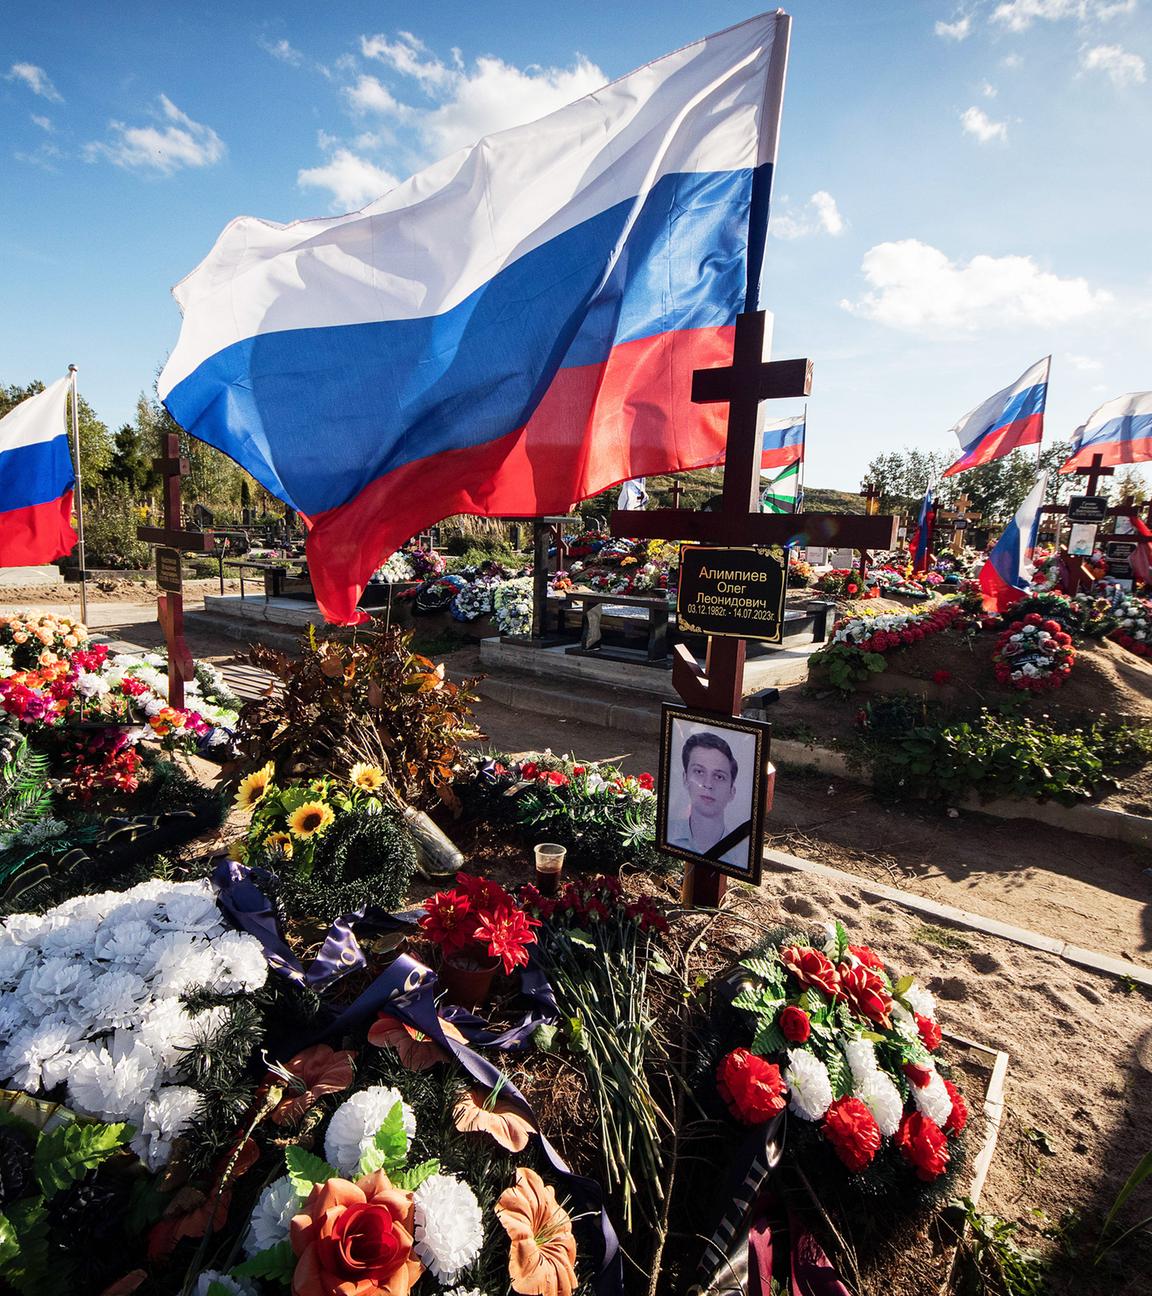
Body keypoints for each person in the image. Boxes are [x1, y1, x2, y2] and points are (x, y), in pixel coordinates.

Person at [667, 730, 751, 870]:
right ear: (685, 779)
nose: (708, 784)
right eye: (699, 772)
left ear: (732, 791)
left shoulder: (743, 855)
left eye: (719, 776)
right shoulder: (668, 833)